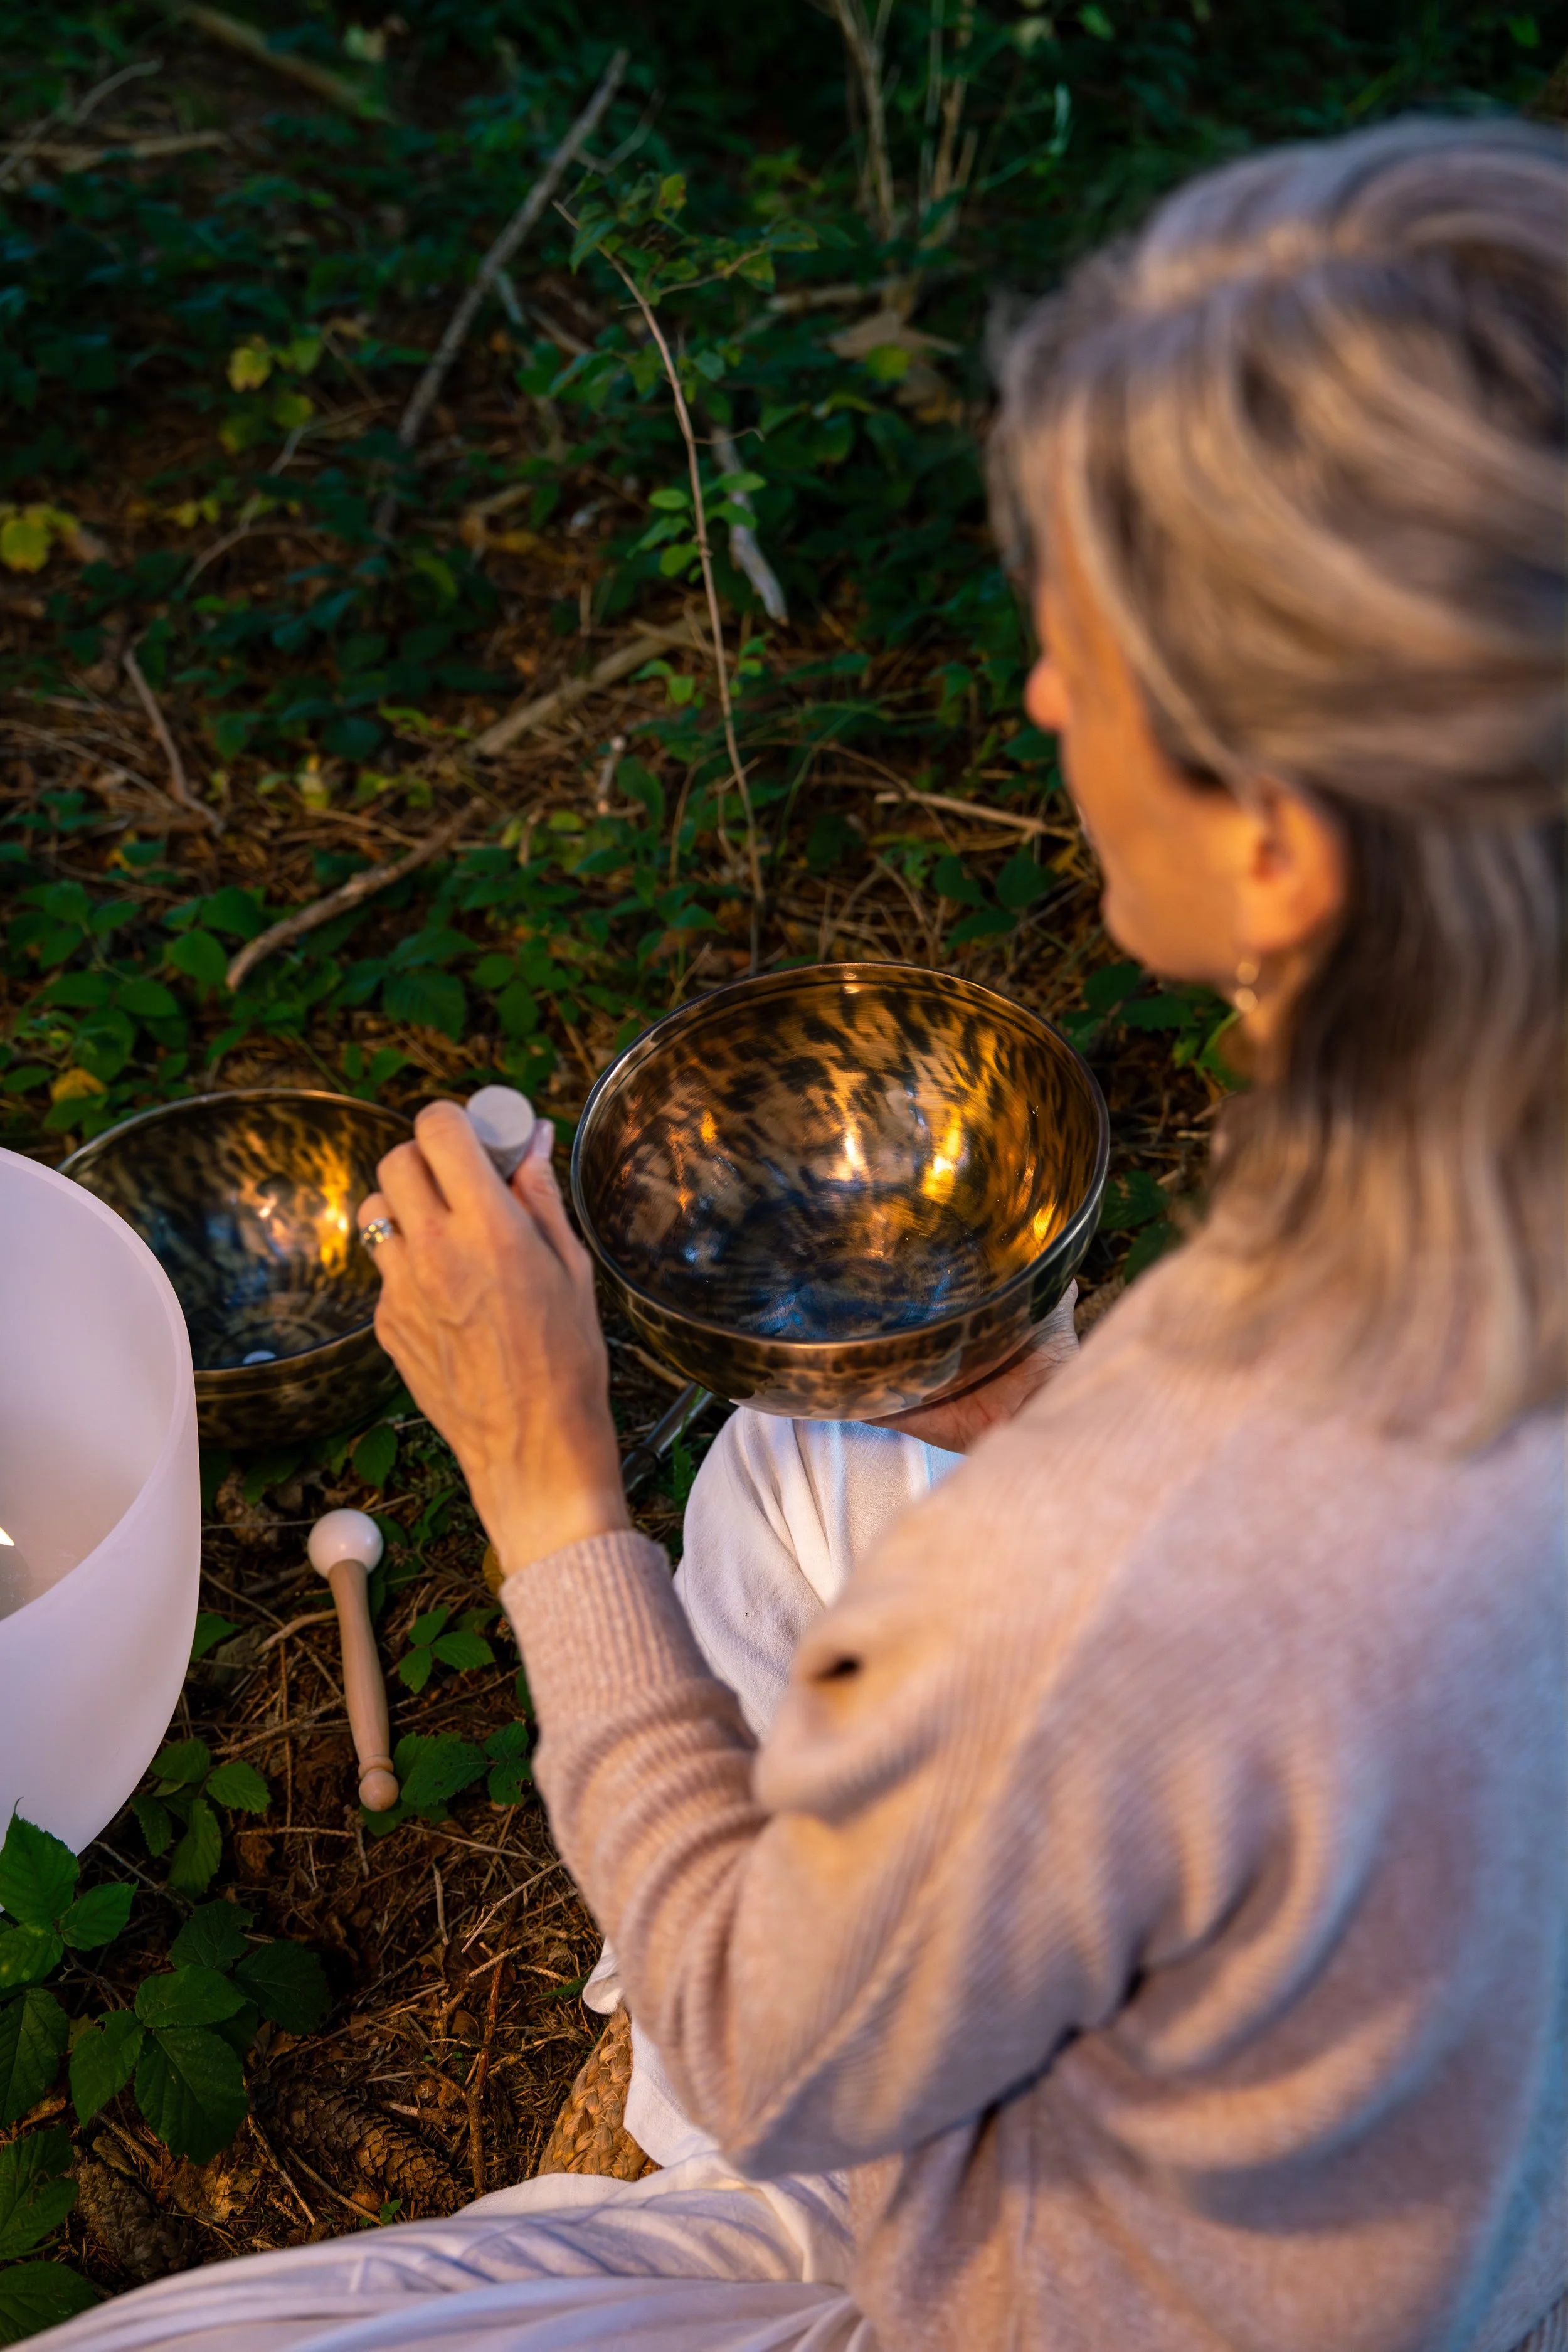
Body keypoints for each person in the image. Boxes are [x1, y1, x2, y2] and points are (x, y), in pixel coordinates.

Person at [41, 114, 1564, 2352]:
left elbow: (780, 2037)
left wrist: (546, 1480)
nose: (1041, 700)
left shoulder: (1177, 1540)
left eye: (1090, 650)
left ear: (1280, 838)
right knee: (819, 1454)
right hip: (1446, 2166)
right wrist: (1033, 1403)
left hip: (1096, 2298)